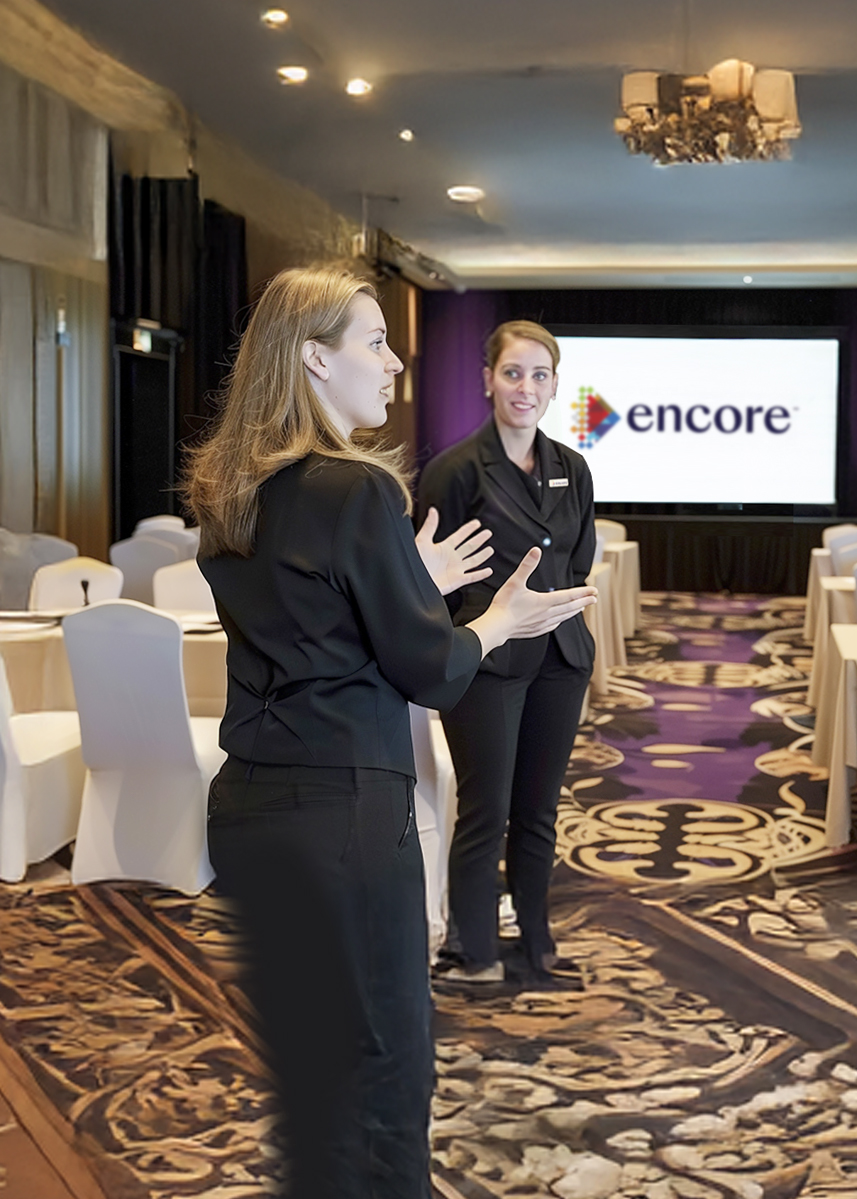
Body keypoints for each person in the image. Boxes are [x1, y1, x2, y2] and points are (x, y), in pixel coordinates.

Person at [185, 269, 595, 1198]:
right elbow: (428, 668)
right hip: (345, 815)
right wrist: (496, 622)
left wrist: (404, 571)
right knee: (385, 1069)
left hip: (251, 803)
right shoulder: (354, 488)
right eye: (374, 341)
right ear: (314, 356)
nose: (395, 360)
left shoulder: (232, 486)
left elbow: (314, 620)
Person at [418, 320, 596, 987]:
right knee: (485, 808)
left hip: (559, 656)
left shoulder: (569, 469)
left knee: (538, 810)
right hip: (486, 661)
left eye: (539, 374)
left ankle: (537, 941)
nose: (526, 387)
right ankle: (474, 951)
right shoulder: (455, 470)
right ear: (487, 379)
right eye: (513, 372)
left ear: (555, 384)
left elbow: (578, 560)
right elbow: (434, 577)